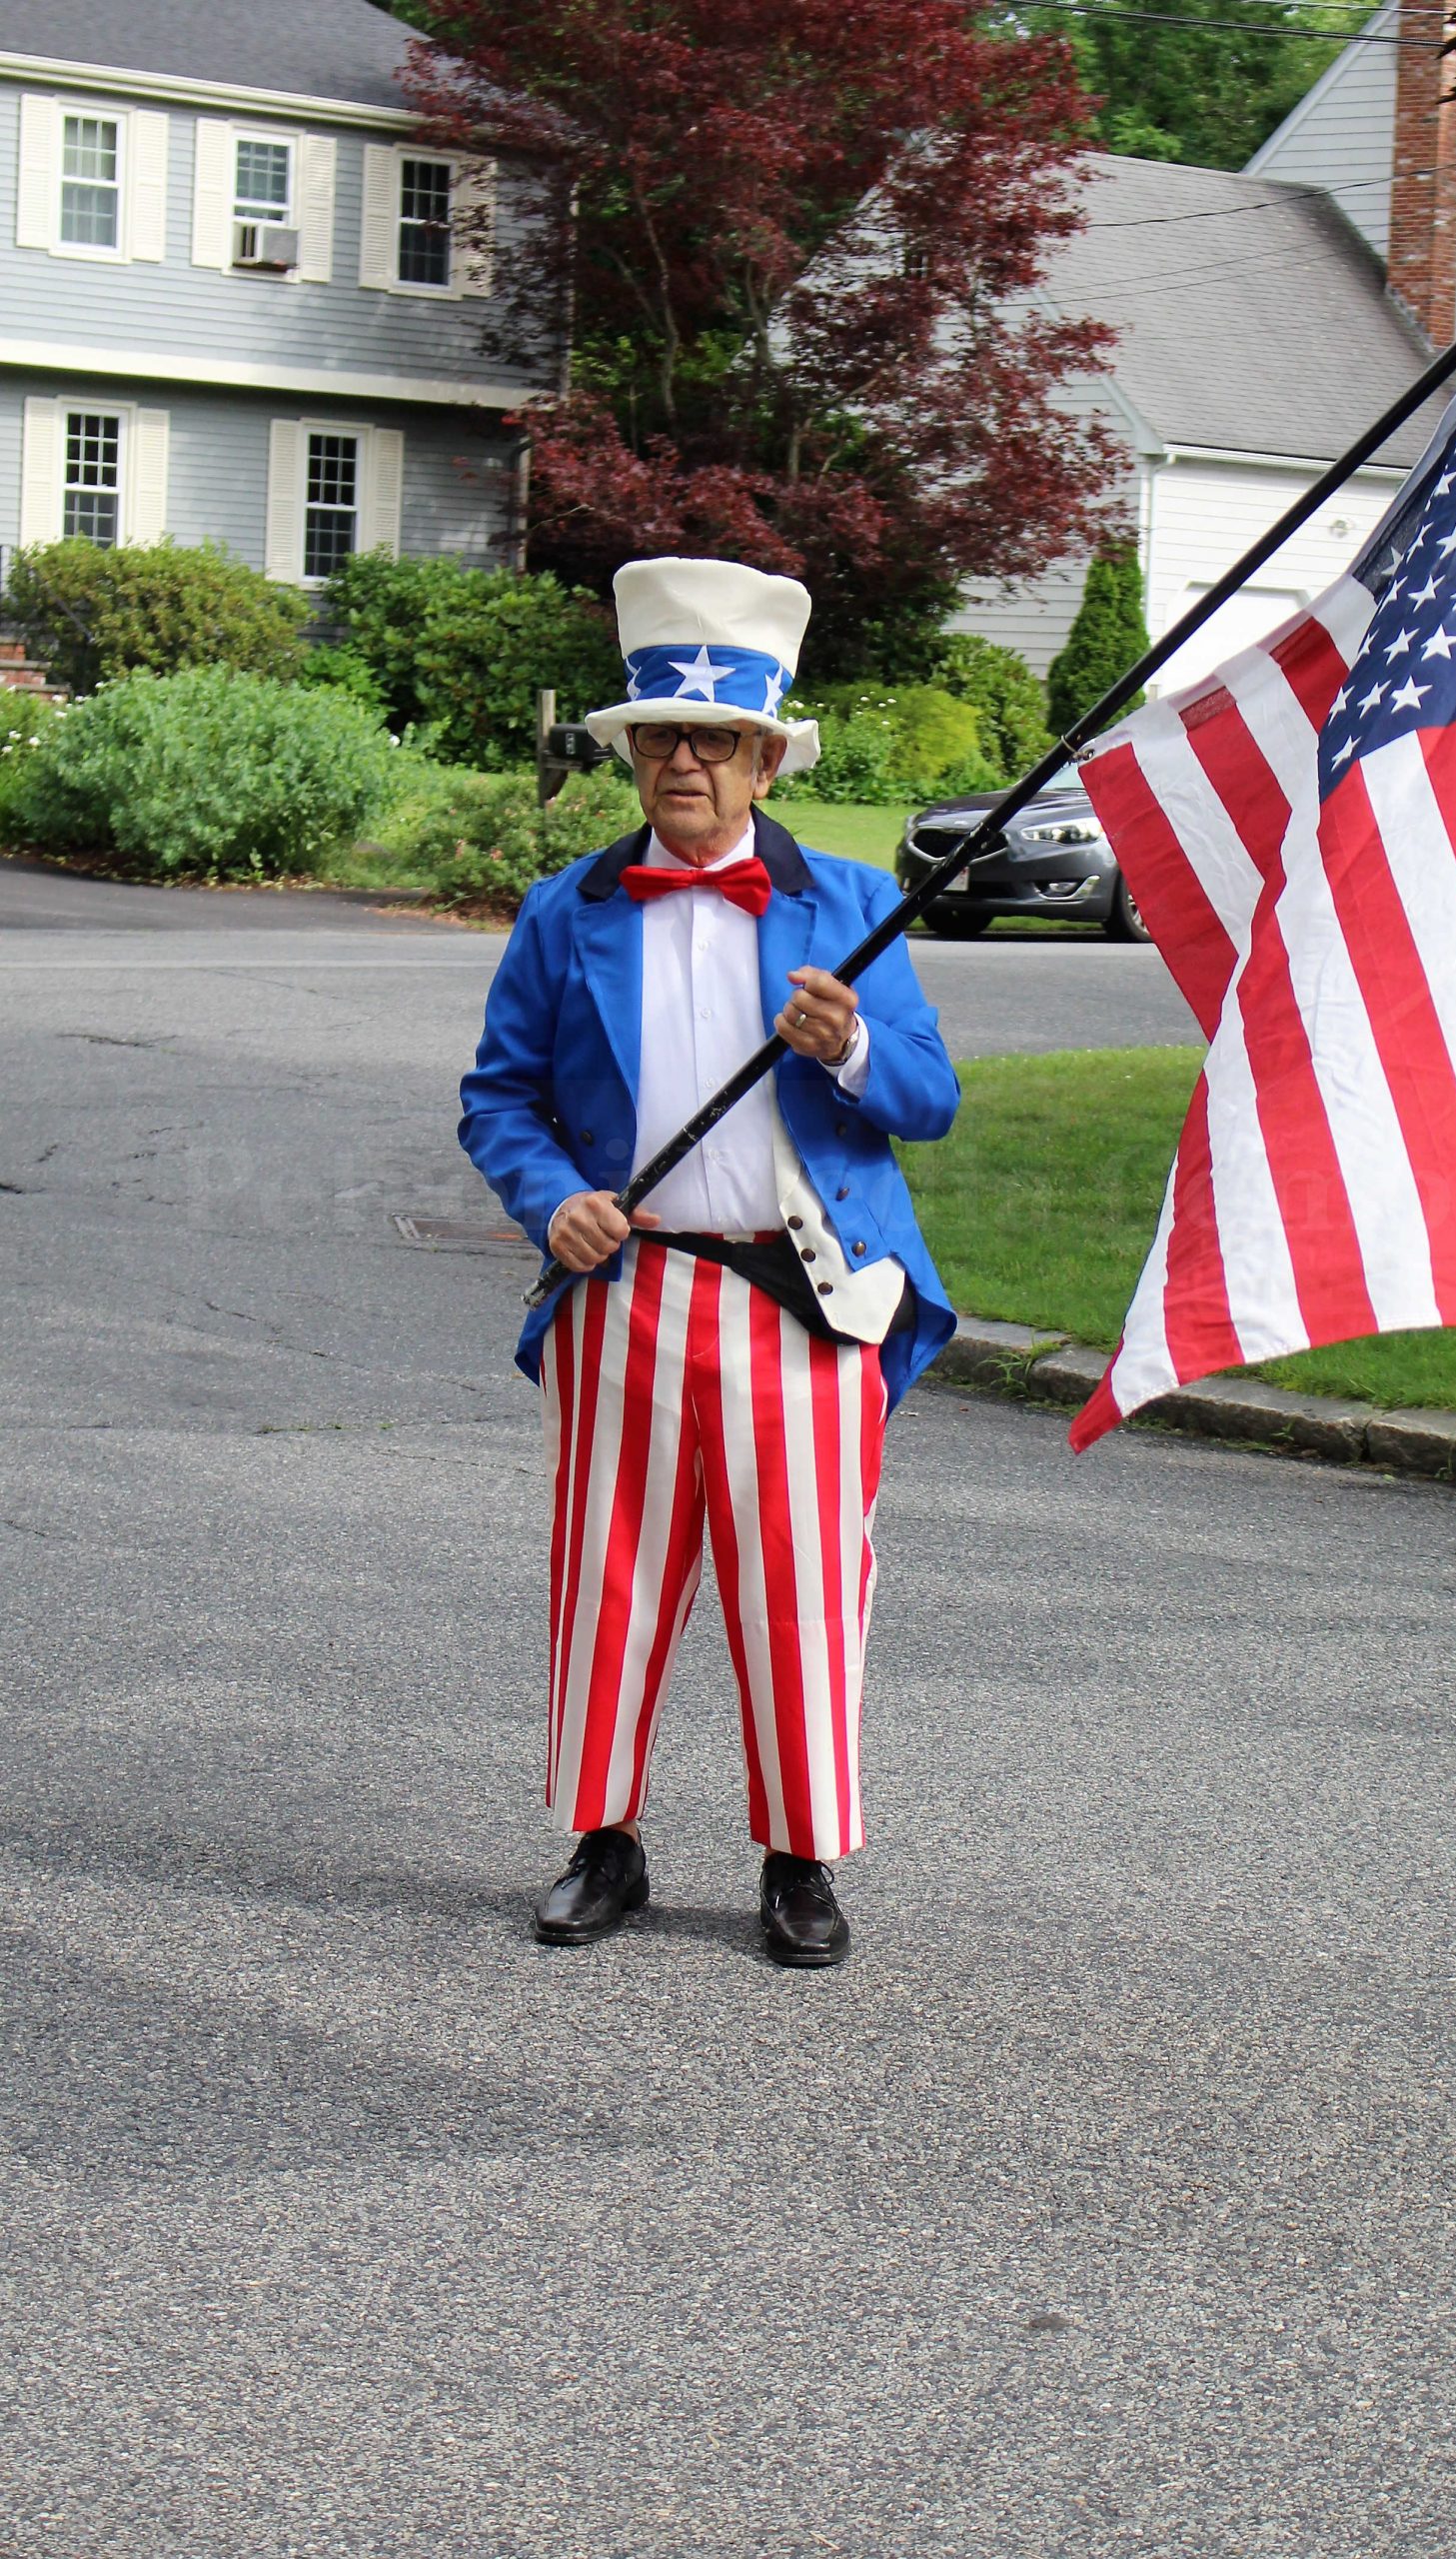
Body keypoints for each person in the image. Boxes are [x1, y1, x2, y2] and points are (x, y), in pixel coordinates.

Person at [459, 558, 958, 1967]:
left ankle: (800, 1862)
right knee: (607, 1574)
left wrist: (851, 1047)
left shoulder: (849, 906)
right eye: (659, 738)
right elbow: (499, 1096)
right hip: (625, 1295)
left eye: (714, 741)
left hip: (804, 1299)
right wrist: (551, 1197)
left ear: (761, 758)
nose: (685, 762)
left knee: (801, 1584)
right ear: (629, 752)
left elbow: (930, 1096)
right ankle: (600, 1842)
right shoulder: (569, 912)